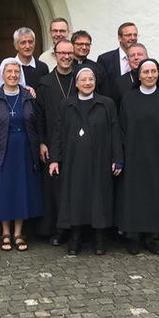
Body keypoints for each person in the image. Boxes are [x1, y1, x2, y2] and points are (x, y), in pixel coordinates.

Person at [49, 68, 123, 256]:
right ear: (76, 83)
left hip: (100, 160)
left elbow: (115, 132)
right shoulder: (66, 104)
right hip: (73, 161)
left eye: (91, 79)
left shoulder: (106, 104)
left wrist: (118, 158)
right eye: (84, 80)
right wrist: (54, 159)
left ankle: (99, 238)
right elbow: (57, 133)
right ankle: (75, 237)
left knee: (99, 198)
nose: (88, 83)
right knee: (75, 198)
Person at [116, 59, 159, 255]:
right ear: (139, 75)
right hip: (133, 156)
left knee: (154, 197)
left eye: (153, 71)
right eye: (146, 72)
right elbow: (122, 128)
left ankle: (152, 237)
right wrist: (122, 155)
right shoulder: (129, 98)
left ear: (158, 74)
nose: (150, 75)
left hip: (157, 157)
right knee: (133, 197)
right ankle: (133, 236)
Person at [0, 58, 43, 250]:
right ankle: (5, 232)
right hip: (3, 148)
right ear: (2, 74)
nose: (13, 75)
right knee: (5, 189)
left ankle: (18, 233)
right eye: (9, 72)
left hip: (24, 149)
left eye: (16, 72)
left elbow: (36, 122)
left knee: (21, 189)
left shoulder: (28, 96)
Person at [35, 39, 76, 244]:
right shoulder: (46, 83)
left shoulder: (82, 79)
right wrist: (42, 142)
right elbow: (39, 116)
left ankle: (76, 228)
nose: (66, 57)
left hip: (77, 144)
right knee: (56, 189)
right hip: (52, 142)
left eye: (70, 53)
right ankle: (58, 230)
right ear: (55, 55)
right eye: (62, 53)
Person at [71, 30, 108, 96]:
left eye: (87, 44)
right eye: (80, 44)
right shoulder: (67, 67)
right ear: (72, 45)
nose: (84, 47)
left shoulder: (98, 68)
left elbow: (105, 92)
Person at [112, 43, 148, 107]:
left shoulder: (154, 78)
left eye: (139, 54)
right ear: (128, 60)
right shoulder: (119, 82)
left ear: (147, 57)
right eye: (132, 55)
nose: (136, 57)